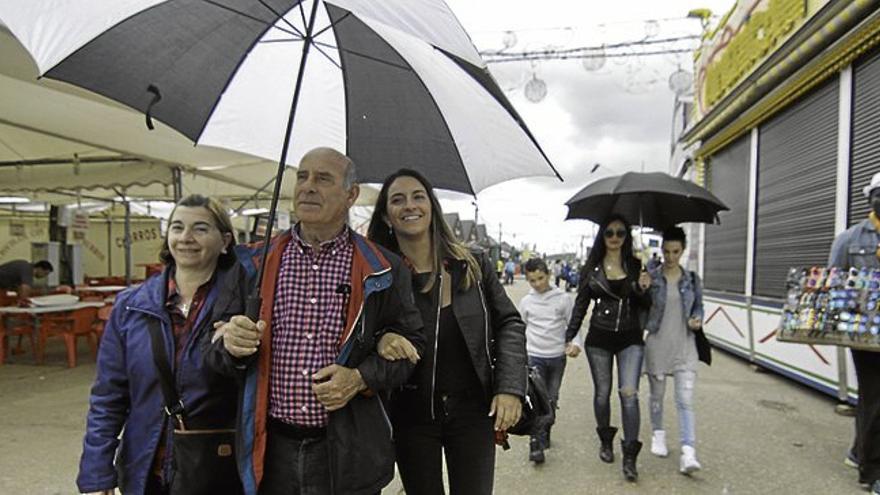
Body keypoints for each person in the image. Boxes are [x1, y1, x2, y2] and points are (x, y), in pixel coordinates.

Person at [207, 148, 424, 495]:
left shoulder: (384, 267)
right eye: (302, 176)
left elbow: (412, 347)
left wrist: (359, 377)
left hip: (347, 452)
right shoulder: (252, 263)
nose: (308, 187)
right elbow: (214, 345)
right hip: (270, 448)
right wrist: (231, 345)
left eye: (323, 179)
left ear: (351, 195)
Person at [367, 168, 526, 494]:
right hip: (410, 416)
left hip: (473, 412)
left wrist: (510, 387)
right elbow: (358, 333)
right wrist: (380, 340)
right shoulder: (378, 276)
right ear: (386, 215)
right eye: (397, 200)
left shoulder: (473, 263)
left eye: (418, 196)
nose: (409, 205)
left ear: (432, 206)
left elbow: (509, 323)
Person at [77, 195, 246, 495]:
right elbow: (108, 395)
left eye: (200, 229)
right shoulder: (131, 306)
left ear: (225, 241)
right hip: (145, 468)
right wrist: (97, 472)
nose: (186, 238)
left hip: (217, 469)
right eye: (177, 227)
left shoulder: (243, 306)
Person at [565, 213, 651, 482]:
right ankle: (605, 439)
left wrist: (643, 289)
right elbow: (580, 305)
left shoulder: (638, 266)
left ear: (627, 237)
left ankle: (629, 455)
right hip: (599, 339)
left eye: (620, 233)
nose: (615, 237)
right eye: (609, 233)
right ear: (602, 237)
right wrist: (570, 336)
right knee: (602, 393)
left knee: (629, 394)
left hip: (630, 338)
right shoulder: (591, 268)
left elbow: (647, 306)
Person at [829, 171, 880, 494]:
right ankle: (872, 472)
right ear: (870, 198)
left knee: (872, 399)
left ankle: (858, 450)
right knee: (875, 396)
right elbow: (832, 285)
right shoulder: (850, 239)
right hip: (864, 333)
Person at [644, 227, 704, 474]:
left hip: (685, 346)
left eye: (675, 251)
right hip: (657, 346)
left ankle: (688, 452)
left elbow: (698, 307)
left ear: (682, 250)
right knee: (657, 396)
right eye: (666, 251)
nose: (670, 257)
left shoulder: (692, 280)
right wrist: (641, 288)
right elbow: (640, 307)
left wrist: (697, 319)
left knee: (685, 399)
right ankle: (658, 433)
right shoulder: (651, 277)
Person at [520, 257, 582, 464]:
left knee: (551, 397)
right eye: (532, 280)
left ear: (548, 274)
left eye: (540, 278)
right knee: (536, 398)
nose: (537, 284)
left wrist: (575, 343)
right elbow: (519, 328)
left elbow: (573, 324)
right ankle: (535, 441)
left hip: (556, 357)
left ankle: (545, 429)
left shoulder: (563, 299)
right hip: (534, 355)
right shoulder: (527, 302)